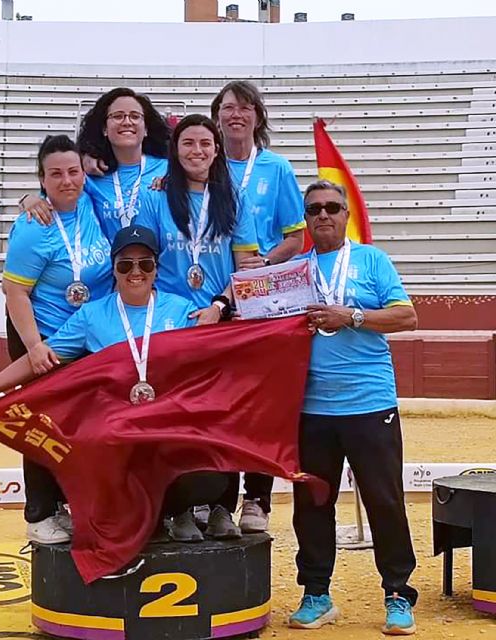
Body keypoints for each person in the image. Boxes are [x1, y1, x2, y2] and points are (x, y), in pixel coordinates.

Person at [0, 225, 229, 544]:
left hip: (166, 432)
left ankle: (173, 510)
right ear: (113, 269)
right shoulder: (93, 315)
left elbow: (215, 361)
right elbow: (38, 361)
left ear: (157, 268)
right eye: (125, 264)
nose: (135, 272)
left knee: (212, 480)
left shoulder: (181, 310)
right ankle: (144, 515)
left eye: (145, 263)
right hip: (118, 437)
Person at [288, 179, 418, 635]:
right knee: (311, 504)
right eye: (314, 210)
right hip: (312, 408)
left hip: (370, 402)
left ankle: (399, 594)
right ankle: (316, 593)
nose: (323, 215)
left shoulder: (372, 260)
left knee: (384, 501)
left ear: (347, 215)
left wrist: (353, 316)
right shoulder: (293, 271)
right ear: (305, 220)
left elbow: (407, 316)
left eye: (332, 207)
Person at [136, 114, 259, 539]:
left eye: (205, 143)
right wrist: (164, 310)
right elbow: (144, 261)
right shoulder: (155, 198)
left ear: (217, 149)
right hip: (171, 326)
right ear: (175, 150)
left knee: (225, 419)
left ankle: (224, 506)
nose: (197, 152)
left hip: (220, 323)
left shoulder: (234, 199)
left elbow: (247, 266)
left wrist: (221, 304)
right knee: (173, 421)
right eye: (188, 143)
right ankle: (180, 509)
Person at [3, 134, 112, 545]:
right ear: (42, 181)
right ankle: (39, 512)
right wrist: (34, 347)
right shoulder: (33, 226)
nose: (67, 181)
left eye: (73, 171)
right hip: (45, 335)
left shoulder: (92, 202)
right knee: (41, 424)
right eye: (55, 175)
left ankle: (69, 505)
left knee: (80, 428)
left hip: (86, 336)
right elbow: (14, 292)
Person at [210, 80, 307, 534]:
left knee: (263, 403)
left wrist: (263, 262)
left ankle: (258, 499)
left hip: (267, 296)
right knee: (222, 402)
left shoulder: (277, 168)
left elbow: (295, 237)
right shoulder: (202, 167)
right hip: (217, 297)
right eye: (228, 107)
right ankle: (217, 500)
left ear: (257, 117)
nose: (236, 115)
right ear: (217, 116)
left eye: (245, 108)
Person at [18, 88, 170, 243]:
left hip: (153, 266)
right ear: (104, 129)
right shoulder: (91, 173)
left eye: (135, 116)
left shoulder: (168, 169)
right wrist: (28, 200)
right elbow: (54, 198)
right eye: (117, 116)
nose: (127, 122)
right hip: (104, 265)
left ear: (146, 129)